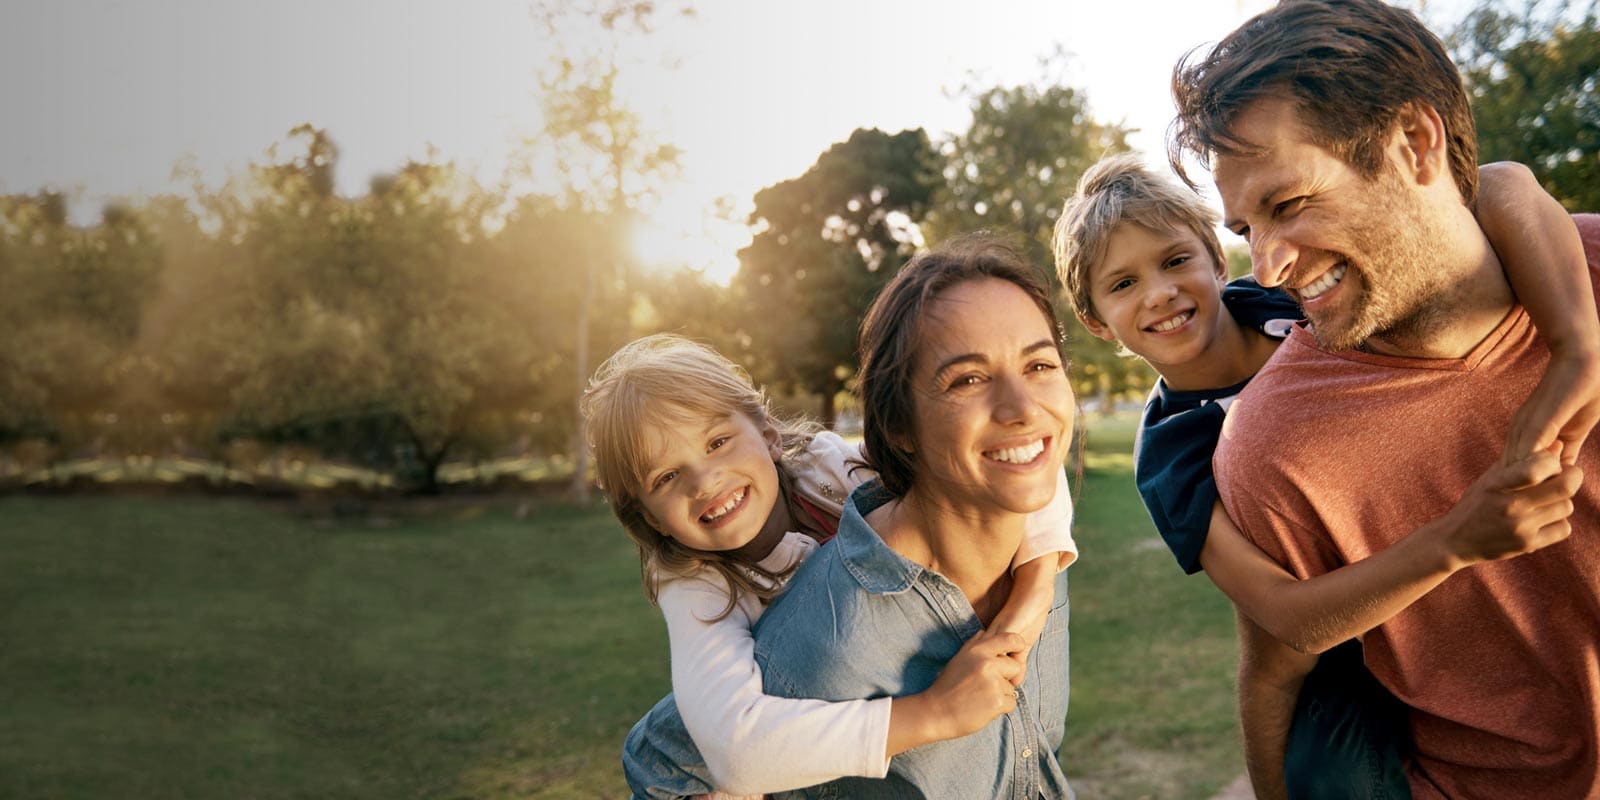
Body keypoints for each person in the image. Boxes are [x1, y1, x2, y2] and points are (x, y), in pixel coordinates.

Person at [1053, 153, 1594, 798]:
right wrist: (1454, 540)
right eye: (1122, 285)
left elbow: (1502, 183)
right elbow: (1284, 622)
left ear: (1217, 259)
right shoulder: (1175, 451)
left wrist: (1575, 344)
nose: (1160, 293)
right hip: (1353, 651)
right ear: (1094, 322)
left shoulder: (1287, 296)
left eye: (1175, 261)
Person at [1167, 1, 1600, 797]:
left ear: (1415, 143)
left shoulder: (1585, 273)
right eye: (1245, 228)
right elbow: (1276, 670)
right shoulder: (1274, 443)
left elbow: (1502, 183)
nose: (1265, 269)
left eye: (1288, 204)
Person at [622, 236, 1079, 798]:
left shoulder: (831, 468)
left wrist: (1030, 596)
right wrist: (932, 713)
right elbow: (713, 746)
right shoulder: (696, 583)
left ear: (768, 435)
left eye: (1040, 364)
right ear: (648, 517)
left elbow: (1033, 459)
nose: (704, 481)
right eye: (967, 378)